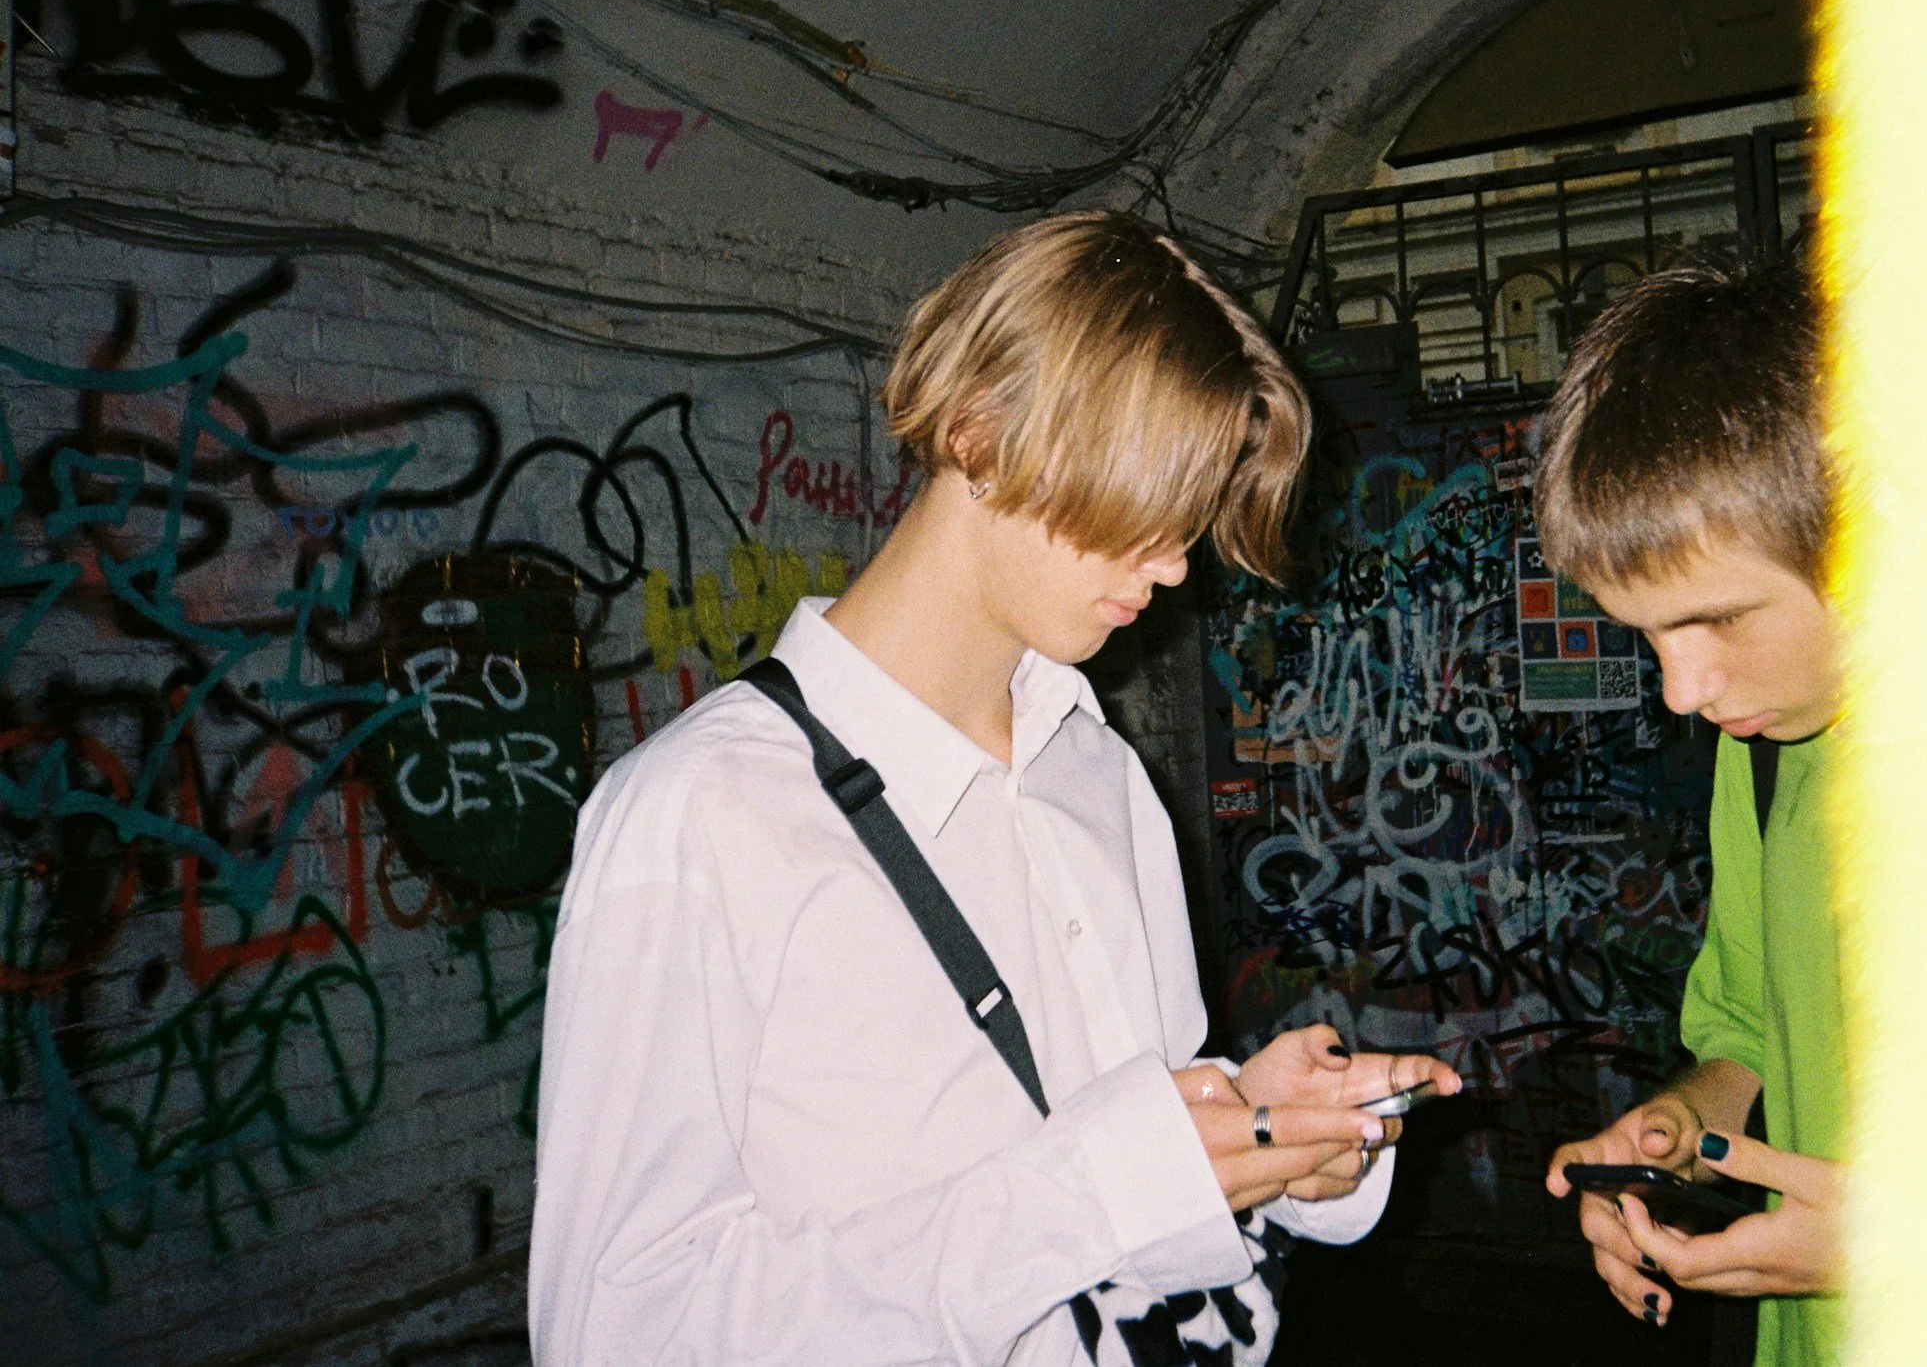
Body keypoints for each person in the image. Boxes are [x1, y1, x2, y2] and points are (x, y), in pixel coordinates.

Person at [531, 213, 1460, 1367]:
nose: (1176, 563)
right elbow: (615, 1332)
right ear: (979, 431)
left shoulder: (1099, 772)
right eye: (1146, 503)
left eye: (1189, 517)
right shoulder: (699, 814)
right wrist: (1087, 1190)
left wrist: (1259, 1131)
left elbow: (1130, 1181)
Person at [1536, 258, 1847, 1367]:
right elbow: (1752, 1031)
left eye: (1718, 618)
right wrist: (1681, 1133)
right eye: (1650, 635)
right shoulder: (1762, 749)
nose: (1682, 692)